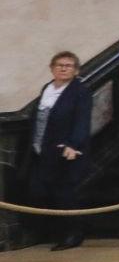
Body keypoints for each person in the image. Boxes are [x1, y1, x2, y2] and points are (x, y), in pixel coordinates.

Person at [24, 51, 92, 250]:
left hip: (66, 151)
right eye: (59, 65)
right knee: (40, 192)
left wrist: (73, 144)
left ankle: (74, 233)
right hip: (42, 151)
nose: (63, 68)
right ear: (52, 68)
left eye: (68, 65)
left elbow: (82, 121)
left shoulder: (80, 92)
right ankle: (56, 231)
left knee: (64, 194)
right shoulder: (47, 88)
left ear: (76, 70)